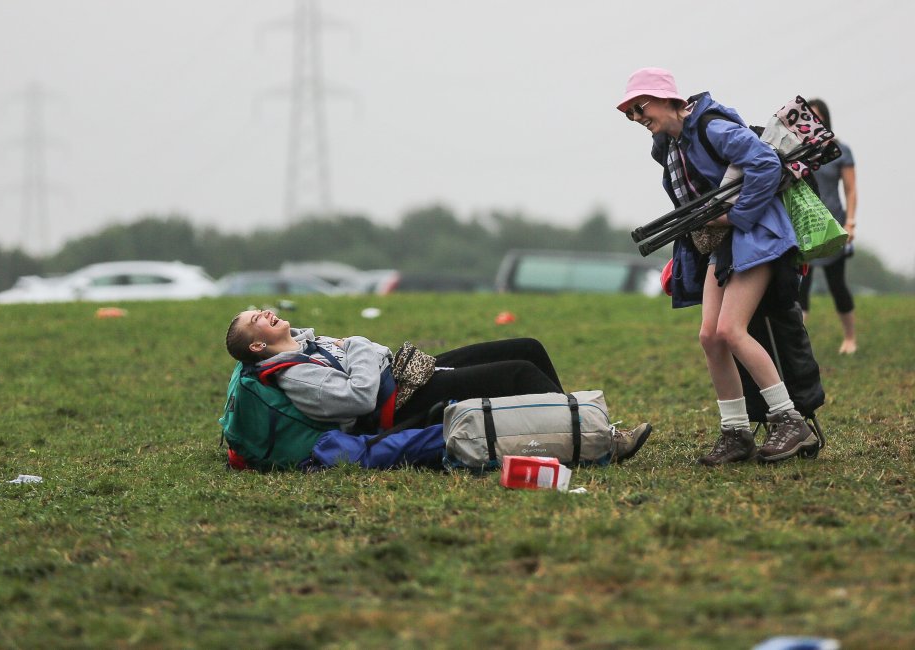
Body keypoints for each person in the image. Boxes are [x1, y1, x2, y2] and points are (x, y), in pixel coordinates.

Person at [617, 67, 819, 465]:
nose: (639, 118)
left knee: (730, 330)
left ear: (668, 99)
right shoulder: (670, 144)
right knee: (710, 336)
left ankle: (790, 420)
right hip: (722, 248)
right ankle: (736, 432)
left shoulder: (712, 128)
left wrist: (735, 216)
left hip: (757, 235)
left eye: (641, 108)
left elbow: (765, 164)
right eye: (630, 114)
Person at [224, 308, 651, 462]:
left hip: (406, 373)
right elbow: (358, 397)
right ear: (259, 344)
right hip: (398, 402)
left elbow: (372, 355)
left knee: (528, 346)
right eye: (254, 319)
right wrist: (358, 347)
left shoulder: (307, 340)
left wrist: (365, 354)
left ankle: (569, 427)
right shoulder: (294, 373)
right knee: (518, 373)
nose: (264, 312)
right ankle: (594, 440)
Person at [796, 99, 858, 355]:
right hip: (807, 227)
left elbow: (851, 189)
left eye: (817, 116)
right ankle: (798, 344)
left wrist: (851, 222)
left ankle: (850, 338)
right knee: (801, 286)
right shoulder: (797, 152)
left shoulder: (840, 149)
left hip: (834, 224)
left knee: (837, 284)